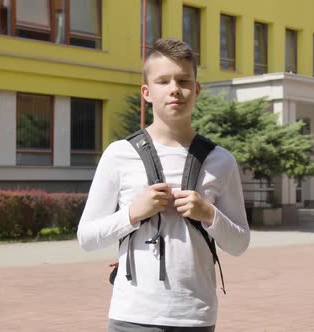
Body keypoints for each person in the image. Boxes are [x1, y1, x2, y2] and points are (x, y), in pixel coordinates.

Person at [77, 38, 250, 331]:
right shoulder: (119, 154)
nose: (175, 89)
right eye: (163, 81)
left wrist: (209, 214)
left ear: (196, 89)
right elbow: (87, 237)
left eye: (184, 80)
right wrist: (133, 213)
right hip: (132, 315)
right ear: (146, 92)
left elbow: (240, 243)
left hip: (195, 316)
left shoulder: (222, 160)